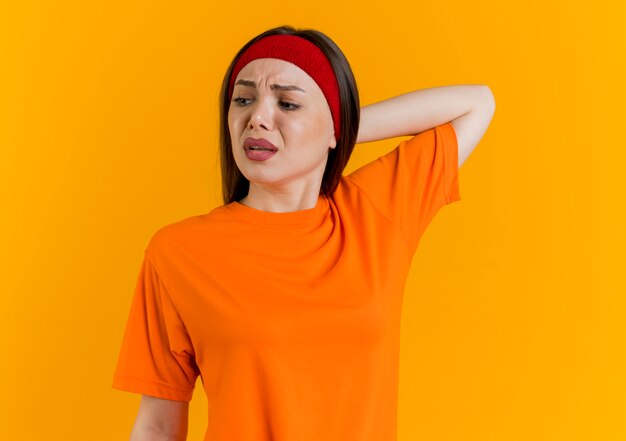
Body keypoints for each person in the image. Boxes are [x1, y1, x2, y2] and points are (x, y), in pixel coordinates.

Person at [112, 25, 495, 441]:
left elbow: (477, 104)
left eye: (288, 103)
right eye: (243, 99)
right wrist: (310, 127)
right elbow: (157, 427)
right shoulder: (177, 252)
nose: (256, 117)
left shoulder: (375, 212)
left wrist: (338, 130)